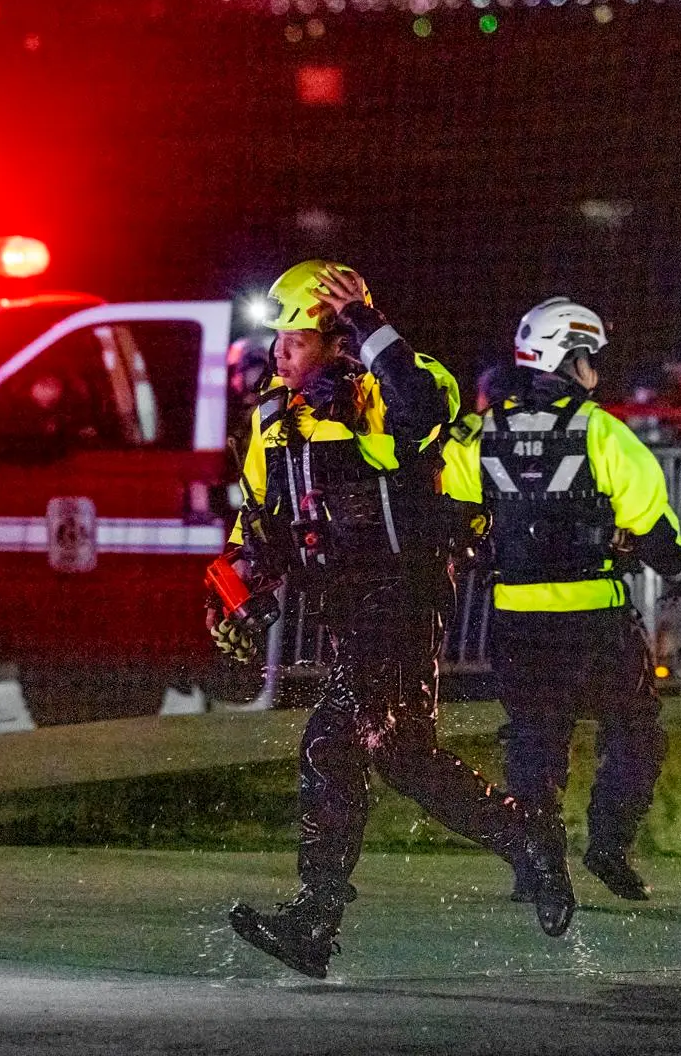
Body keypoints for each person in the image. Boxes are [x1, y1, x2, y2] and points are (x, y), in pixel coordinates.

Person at [213, 260, 569, 978]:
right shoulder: (272, 419)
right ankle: (526, 836)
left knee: (334, 742)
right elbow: (256, 522)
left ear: (338, 338)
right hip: (345, 608)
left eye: (296, 339)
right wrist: (232, 594)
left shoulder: (393, 385)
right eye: (277, 339)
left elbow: (425, 411)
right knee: (394, 753)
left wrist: (367, 323)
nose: (279, 352)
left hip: (403, 594)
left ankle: (316, 916)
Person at [443, 297, 681, 919]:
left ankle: (538, 866)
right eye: (589, 358)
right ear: (568, 358)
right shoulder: (601, 431)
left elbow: (451, 510)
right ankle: (608, 847)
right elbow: (652, 525)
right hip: (597, 621)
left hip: (516, 621)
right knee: (635, 733)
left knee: (533, 743)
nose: (595, 372)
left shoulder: (477, 433)